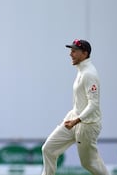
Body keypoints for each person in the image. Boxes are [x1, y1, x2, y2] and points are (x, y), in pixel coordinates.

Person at [41, 39, 109, 175]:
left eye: (74, 51)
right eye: (71, 51)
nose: (70, 54)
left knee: (89, 163)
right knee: (48, 149)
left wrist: (76, 120)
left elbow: (94, 104)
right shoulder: (81, 70)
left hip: (87, 125)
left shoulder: (89, 74)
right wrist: (73, 118)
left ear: (84, 53)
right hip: (73, 119)